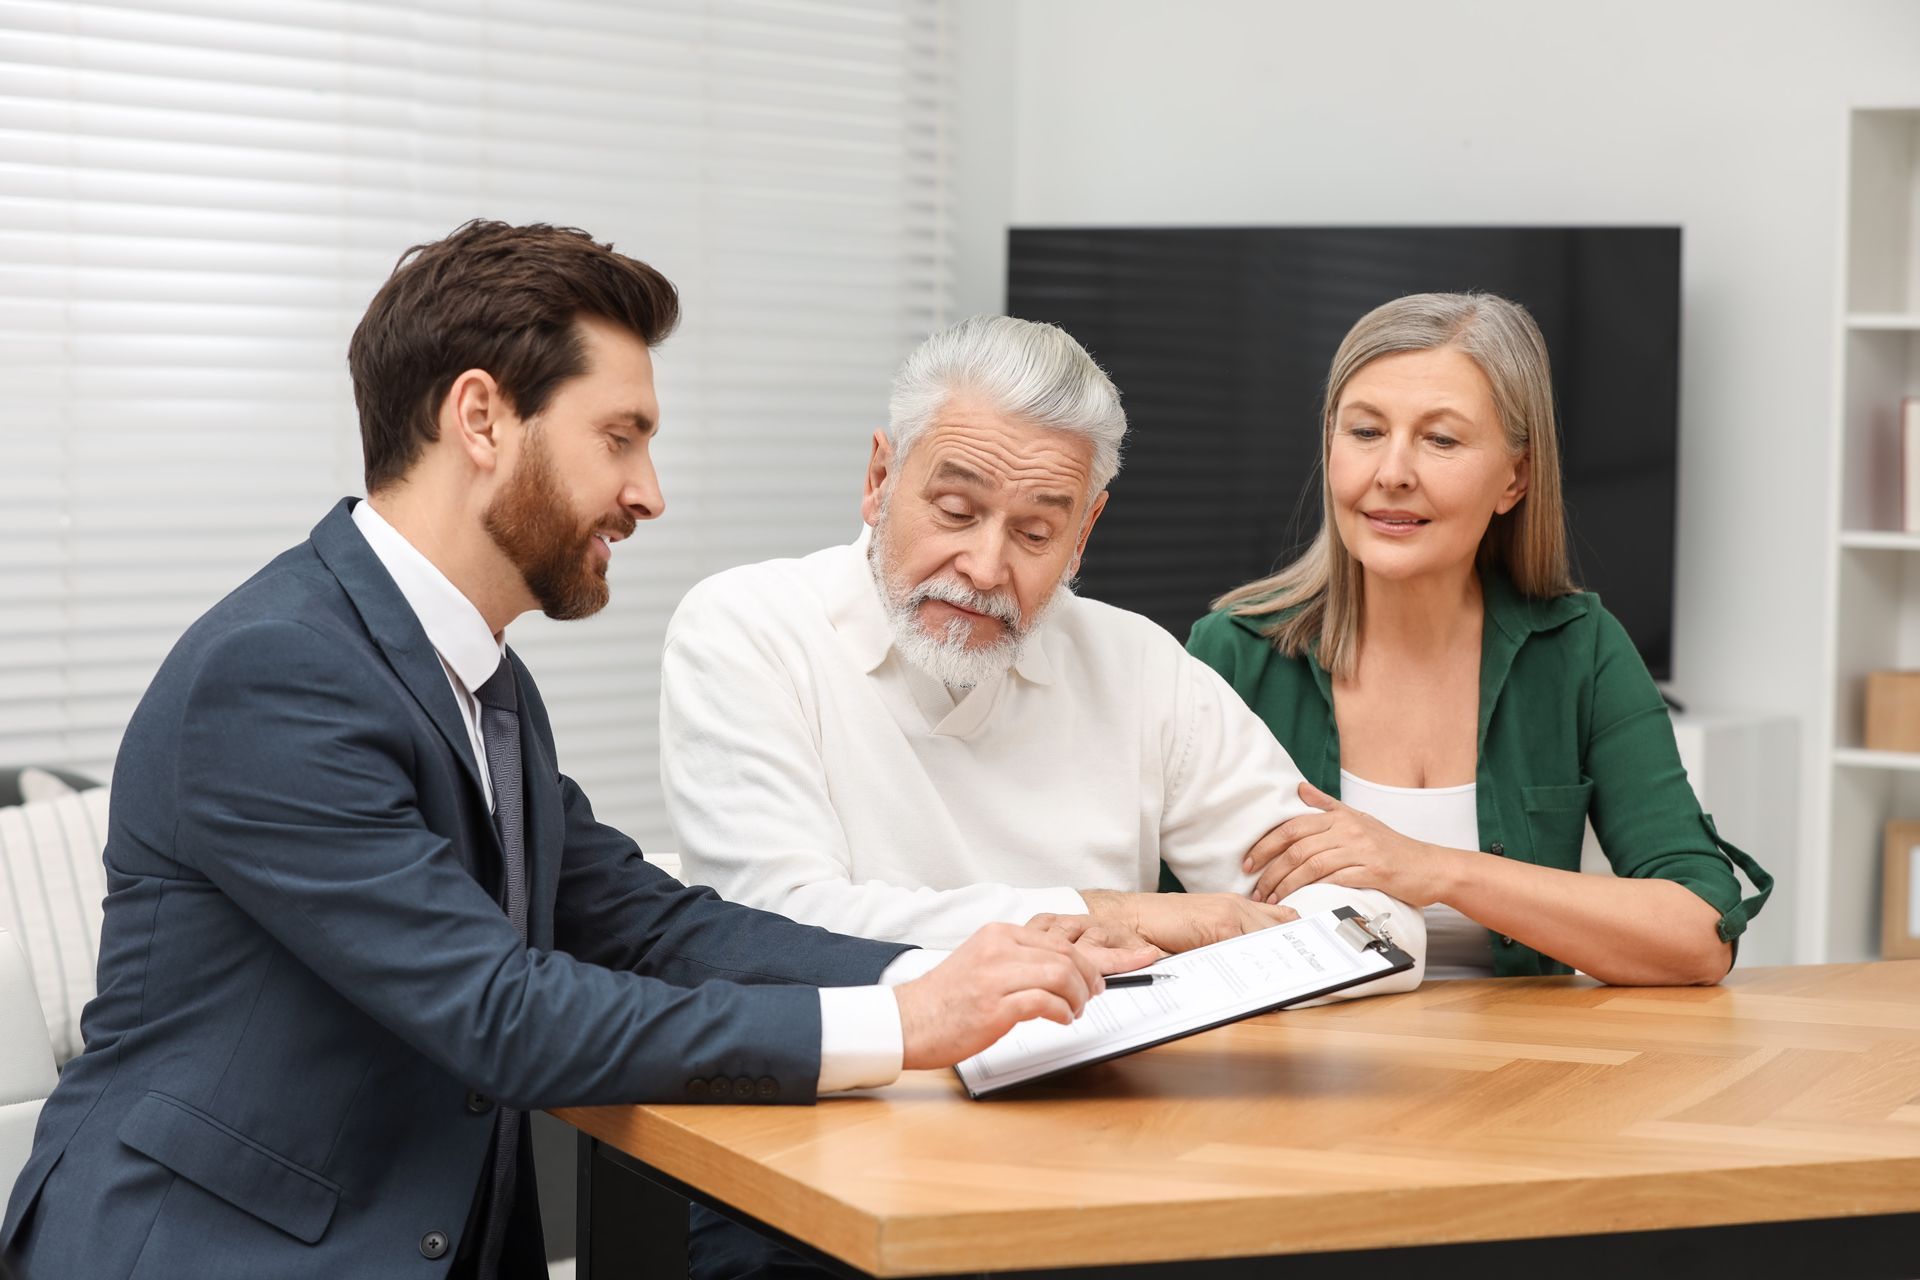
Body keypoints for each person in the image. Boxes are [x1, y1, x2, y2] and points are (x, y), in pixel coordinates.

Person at [0, 223, 1151, 1280]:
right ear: (483, 418)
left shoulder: (481, 673)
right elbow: (503, 1009)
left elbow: (655, 926)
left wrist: (937, 972)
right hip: (213, 1251)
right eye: (621, 438)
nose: (647, 492)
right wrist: (908, 1025)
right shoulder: (274, 673)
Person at [663, 315, 1422, 967]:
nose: (986, 567)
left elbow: (1378, 931)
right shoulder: (748, 629)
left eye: (1035, 532)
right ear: (881, 476)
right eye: (956, 511)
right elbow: (769, 930)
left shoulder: (1137, 666)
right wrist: (1110, 913)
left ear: (1083, 534)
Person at [1187, 291, 1771, 985]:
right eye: (1366, 432)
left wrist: (1436, 870)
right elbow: (1144, 920)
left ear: (1515, 478)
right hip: (1295, 1077)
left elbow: (1702, 933)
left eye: (1441, 439)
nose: (1392, 473)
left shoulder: (1581, 652)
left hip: (1527, 1077)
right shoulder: (1231, 653)